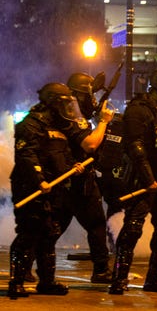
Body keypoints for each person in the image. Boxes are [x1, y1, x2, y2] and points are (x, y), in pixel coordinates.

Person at [108, 68, 157, 294]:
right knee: (132, 228)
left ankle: (154, 280)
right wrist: (148, 179)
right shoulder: (139, 109)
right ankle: (119, 279)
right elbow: (135, 147)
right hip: (141, 178)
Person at [8, 83, 87, 298]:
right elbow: (27, 155)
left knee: (49, 234)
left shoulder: (60, 126)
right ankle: (16, 281)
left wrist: (73, 166)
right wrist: (39, 179)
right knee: (28, 233)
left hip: (55, 188)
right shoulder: (31, 124)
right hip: (31, 187)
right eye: (65, 103)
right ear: (53, 102)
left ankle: (47, 281)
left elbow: (62, 153)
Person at [55, 72, 115, 283]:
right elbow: (90, 144)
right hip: (73, 180)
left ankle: (101, 270)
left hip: (75, 179)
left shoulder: (69, 116)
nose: (92, 101)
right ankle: (100, 271)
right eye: (88, 96)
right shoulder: (70, 118)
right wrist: (104, 122)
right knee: (93, 224)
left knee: (56, 227)